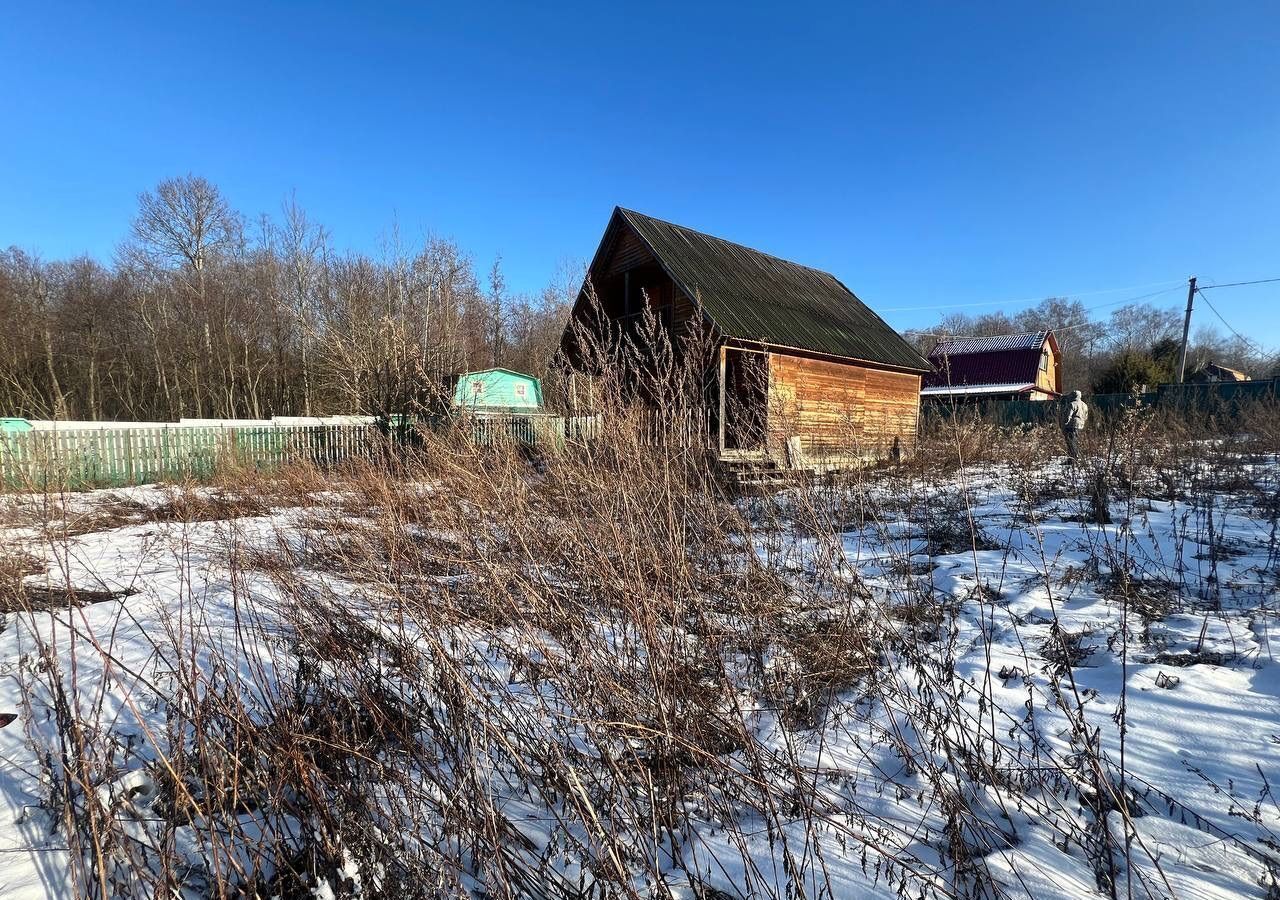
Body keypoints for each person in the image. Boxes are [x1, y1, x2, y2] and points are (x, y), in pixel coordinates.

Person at [1063, 390, 1088, 460]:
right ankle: (1076, 457)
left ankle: (1072, 459)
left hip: (1072, 425)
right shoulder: (1084, 404)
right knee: (1076, 442)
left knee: (1071, 442)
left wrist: (1065, 423)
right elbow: (1086, 416)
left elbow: (1068, 416)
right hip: (1081, 425)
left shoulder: (1072, 404)